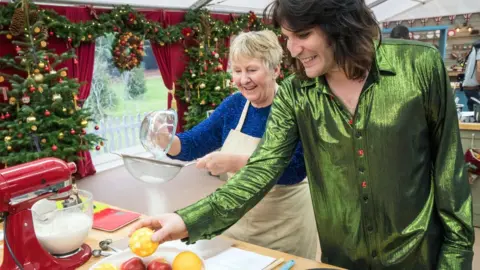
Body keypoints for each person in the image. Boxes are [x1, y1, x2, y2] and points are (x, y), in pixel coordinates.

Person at [131, 0, 474, 269]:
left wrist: (455, 259)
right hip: (342, 256)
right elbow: (262, 171)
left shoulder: (420, 67)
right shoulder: (297, 92)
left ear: (341, 25)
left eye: (303, 35)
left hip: (417, 255)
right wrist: (184, 219)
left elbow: (449, 175)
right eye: (287, 37)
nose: (292, 49)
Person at [150, 30, 317, 259]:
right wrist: (164, 139)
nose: (243, 79)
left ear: (275, 70)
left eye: (251, 70)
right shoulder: (234, 105)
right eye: (237, 71)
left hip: (285, 225)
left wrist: (234, 162)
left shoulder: (294, 108)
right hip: (237, 221)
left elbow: (296, 170)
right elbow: (193, 144)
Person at [462, 39, 480, 111]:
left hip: (469, 87)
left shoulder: (474, 49)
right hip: (474, 88)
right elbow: (479, 69)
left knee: (474, 115)